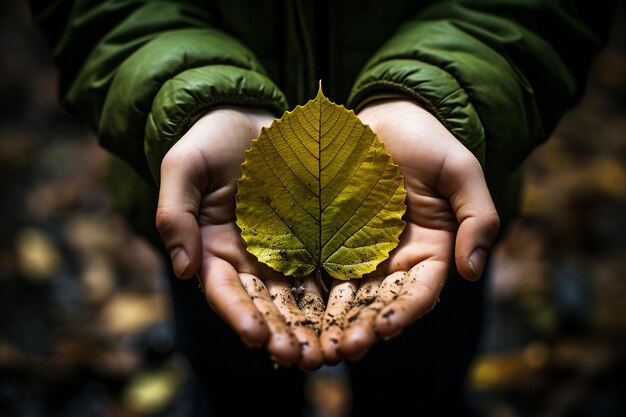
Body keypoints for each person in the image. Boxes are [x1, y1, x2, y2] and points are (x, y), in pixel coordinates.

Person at [28, 0, 616, 415]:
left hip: (424, 219)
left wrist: (441, 96)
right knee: (233, 381)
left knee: (421, 384)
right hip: (219, 226)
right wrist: (182, 97)